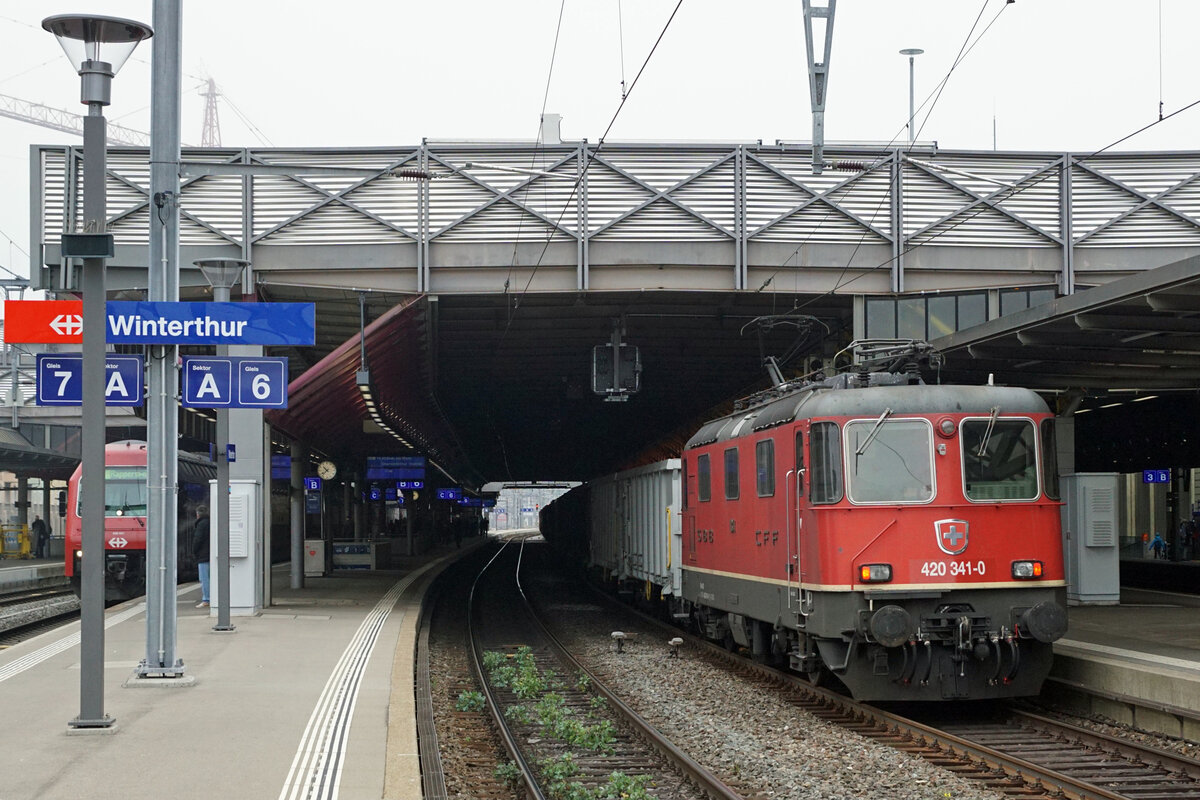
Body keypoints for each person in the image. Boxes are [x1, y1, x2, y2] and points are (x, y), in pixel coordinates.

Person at [193, 505, 211, 608]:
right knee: (210, 577)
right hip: (210, 554)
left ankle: (206, 599)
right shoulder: (210, 522)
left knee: (204, 578)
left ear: (198, 514)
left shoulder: (201, 525)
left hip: (203, 555)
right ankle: (210, 598)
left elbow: (197, 540)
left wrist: (194, 551)